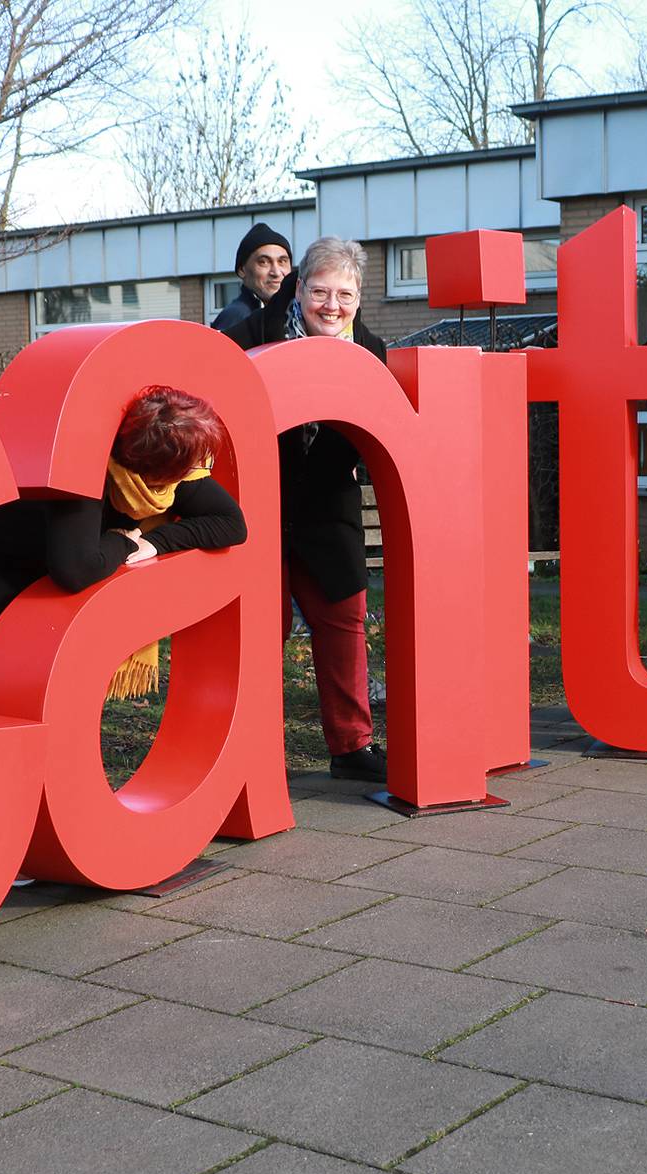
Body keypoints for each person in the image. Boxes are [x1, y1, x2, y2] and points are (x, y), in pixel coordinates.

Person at [0, 385, 246, 684]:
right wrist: (124, 541)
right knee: (2, 692)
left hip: (32, 548)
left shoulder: (163, 467)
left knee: (40, 685)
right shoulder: (88, 469)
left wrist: (154, 543)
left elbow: (231, 523)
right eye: (194, 465)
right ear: (158, 469)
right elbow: (75, 569)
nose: (200, 471)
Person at [222, 236, 389, 782]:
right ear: (299, 289)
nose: (332, 306)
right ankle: (251, 752)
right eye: (320, 291)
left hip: (327, 512)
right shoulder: (247, 337)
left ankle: (351, 747)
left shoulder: (371, 352)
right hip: (255, 512)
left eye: (345, 294)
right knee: (256, 633)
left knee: (344, 622)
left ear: (360, 296)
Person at [211, 223, 294, 333]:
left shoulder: (296, 315)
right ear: (242, 270)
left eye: (282, 261)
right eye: (264, 262)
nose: (276, 272)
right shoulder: (236, 317)